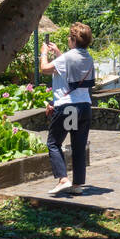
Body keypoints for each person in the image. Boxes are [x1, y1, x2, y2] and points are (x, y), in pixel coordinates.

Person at [39, 22, 95, 195]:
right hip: (84, 106)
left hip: (68, 107)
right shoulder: (88, 57)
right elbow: (71, 67)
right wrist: (58, 53)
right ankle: (77, 185)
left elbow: (44, 69)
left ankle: (63, 179)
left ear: (72, 40)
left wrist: (44, 53)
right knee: (78, 145)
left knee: (54, 143)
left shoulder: (67, 58)